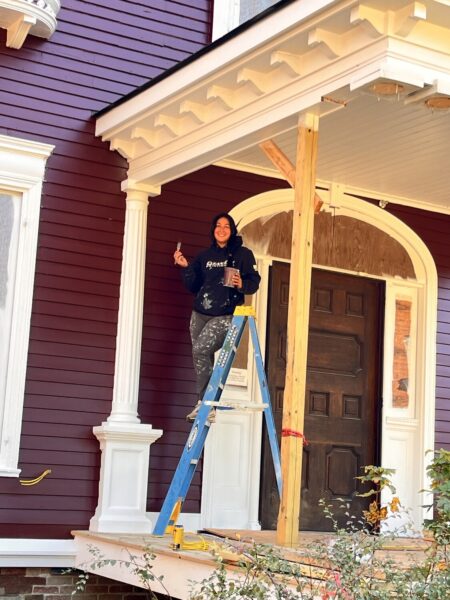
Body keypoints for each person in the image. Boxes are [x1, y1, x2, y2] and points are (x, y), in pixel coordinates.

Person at [173, 212, 261, 422]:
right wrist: (185, 267)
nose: (222, 230)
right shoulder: (205, 256)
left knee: (200, 350)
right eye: (218, 226)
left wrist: (242, 284)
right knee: (201, 357)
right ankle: (205, 404)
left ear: (232, 231)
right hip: (199, 314)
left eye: (226, 226)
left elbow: (253, 280)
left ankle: (206, 403)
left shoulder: (242, 254)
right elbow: (193, 286)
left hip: (226, 314)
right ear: (213, 230)